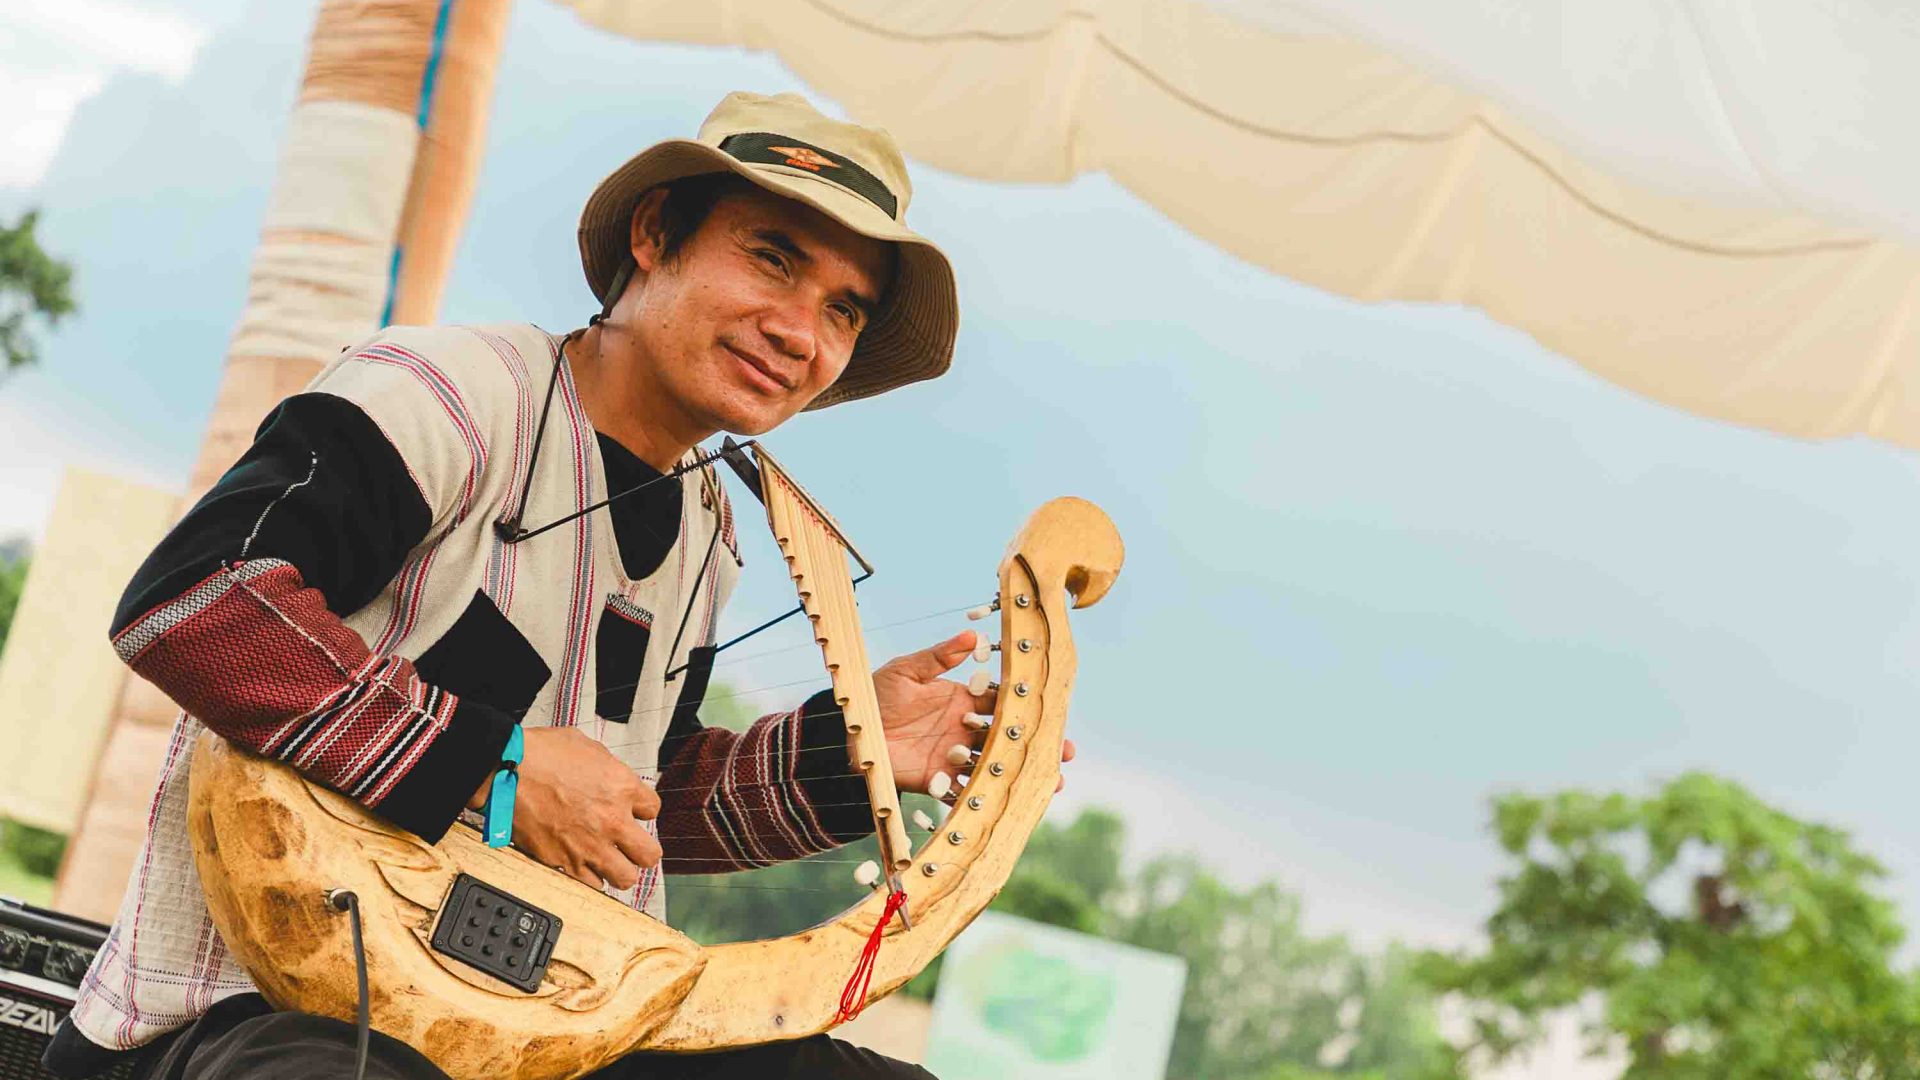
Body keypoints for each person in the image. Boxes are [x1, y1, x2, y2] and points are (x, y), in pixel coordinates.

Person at [45, 91, 1072, 1080]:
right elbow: (197, 603)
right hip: (261, 1006)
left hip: (532, 1020)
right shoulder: (445, 395)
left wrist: (845, 759)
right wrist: (494, 768)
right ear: (655, 232)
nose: (801, 333)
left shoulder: (708, 537)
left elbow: (623, 811)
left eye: (842, 311)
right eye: (772, 259)